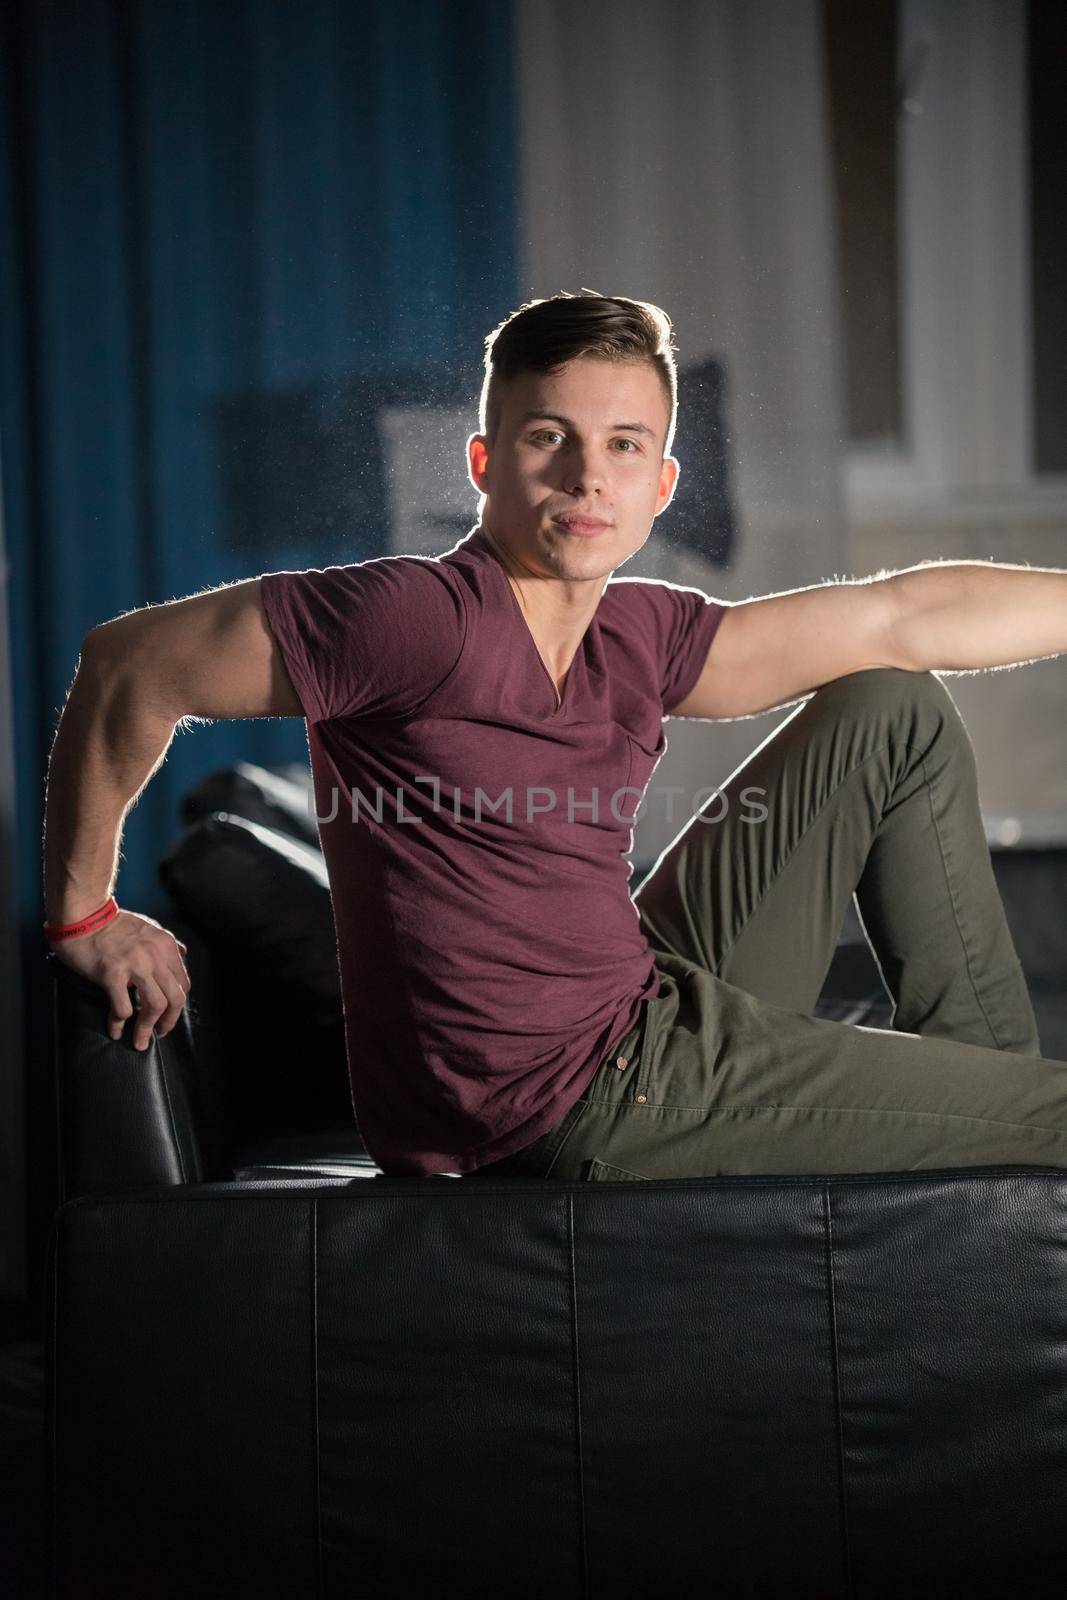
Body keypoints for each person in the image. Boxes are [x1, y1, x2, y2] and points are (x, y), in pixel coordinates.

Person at [43, 290, 1067, 1180]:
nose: (586, 477)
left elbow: (901, 617)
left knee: (889, 707)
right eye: (548, 437)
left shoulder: (640, 634)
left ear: (658, 487)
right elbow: (130, 664)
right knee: (1053, 1116)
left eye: (622, 445)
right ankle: (1013, 1142)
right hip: (565, 1098)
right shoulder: (413, 619)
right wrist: (82, 916)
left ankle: (988, 1145)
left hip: (630, 1004)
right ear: (485, 462)